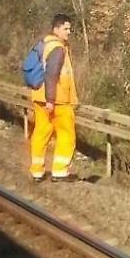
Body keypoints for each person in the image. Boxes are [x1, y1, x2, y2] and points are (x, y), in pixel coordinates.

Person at [28, 13, 79, 182]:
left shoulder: (45, 43)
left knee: (41, 133)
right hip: (57, 100)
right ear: (56, 29)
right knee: (66, 134)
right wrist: (50, 100)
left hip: (39, 96)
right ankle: (59, 171)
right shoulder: (58, 48)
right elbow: (52, 74)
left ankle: (37, 171)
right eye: (66, 28)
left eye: (69, 29)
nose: (69, 32)